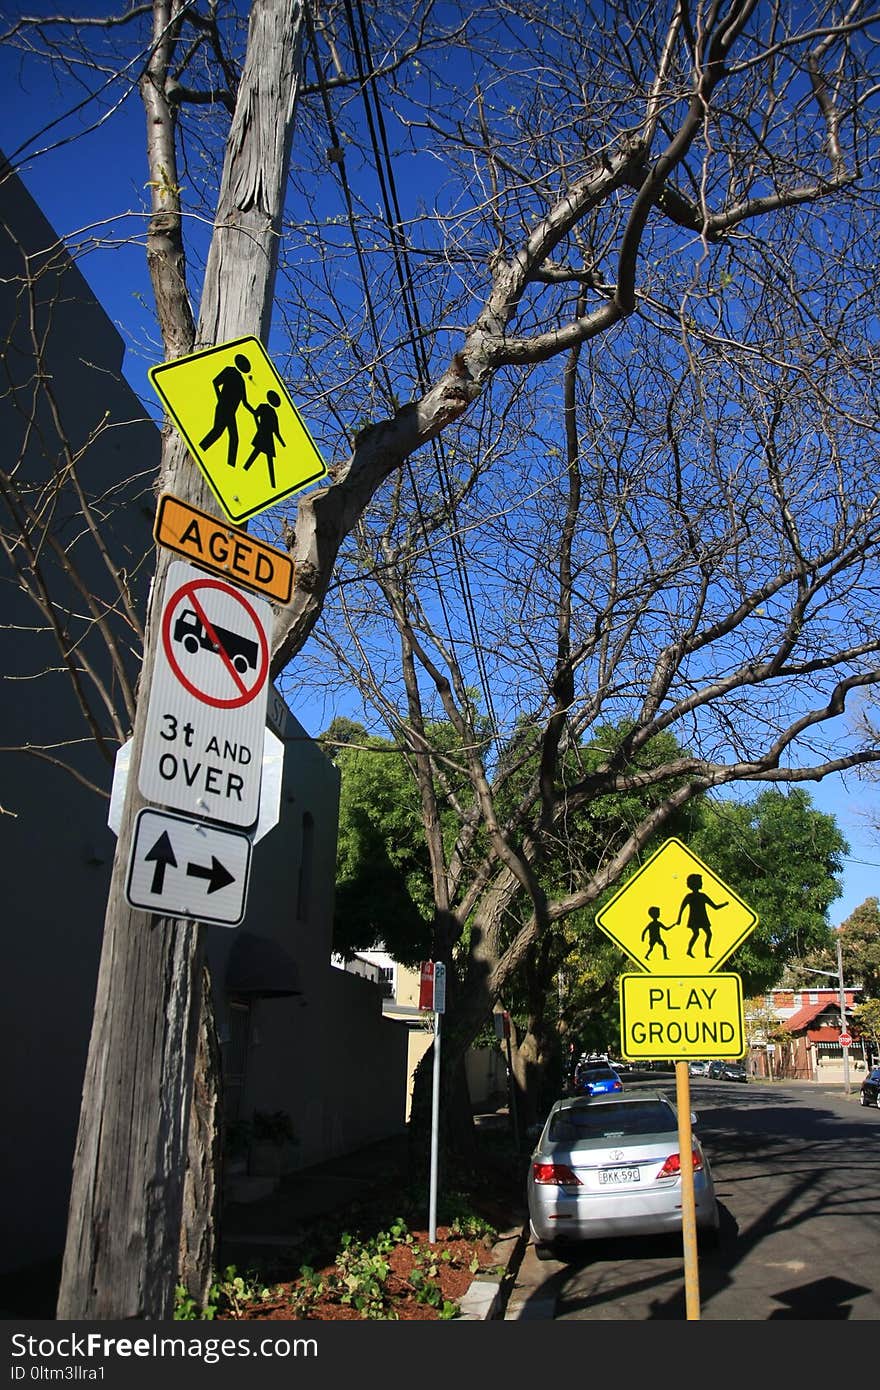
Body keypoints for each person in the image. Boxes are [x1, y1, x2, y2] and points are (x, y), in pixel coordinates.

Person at [199, 353, 253, 468]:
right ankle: (200, 450)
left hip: (231, 413)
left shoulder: (242, 381)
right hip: (223, 408)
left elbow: (245, 402)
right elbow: (215, 382)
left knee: (234, 437)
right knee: (217, 432)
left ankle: (230, 465)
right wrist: (220, 398)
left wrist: (254, 412)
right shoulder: (229, 371)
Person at [675, 872, 727, 959]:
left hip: (703, 918)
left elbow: (715, 907)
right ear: (695, 884)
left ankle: (706, 953)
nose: (702, 883)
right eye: (700, 882)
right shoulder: (689, 896)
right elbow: (682, 908)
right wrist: (679, 919)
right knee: (696, 934)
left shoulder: (703, 896)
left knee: (709, 934)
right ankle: (689, 951)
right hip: (694, 919)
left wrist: (724, 904)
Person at [242, 389, 285, 488]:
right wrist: (247, 406)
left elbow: (276, 431)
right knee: (255, 454)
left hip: (268, 437)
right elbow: (255, 414)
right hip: (262, 434)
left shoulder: (274, 413)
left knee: (267, 459)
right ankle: (244, 470)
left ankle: (273, 484)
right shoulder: (263, 406)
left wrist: (283, 444)